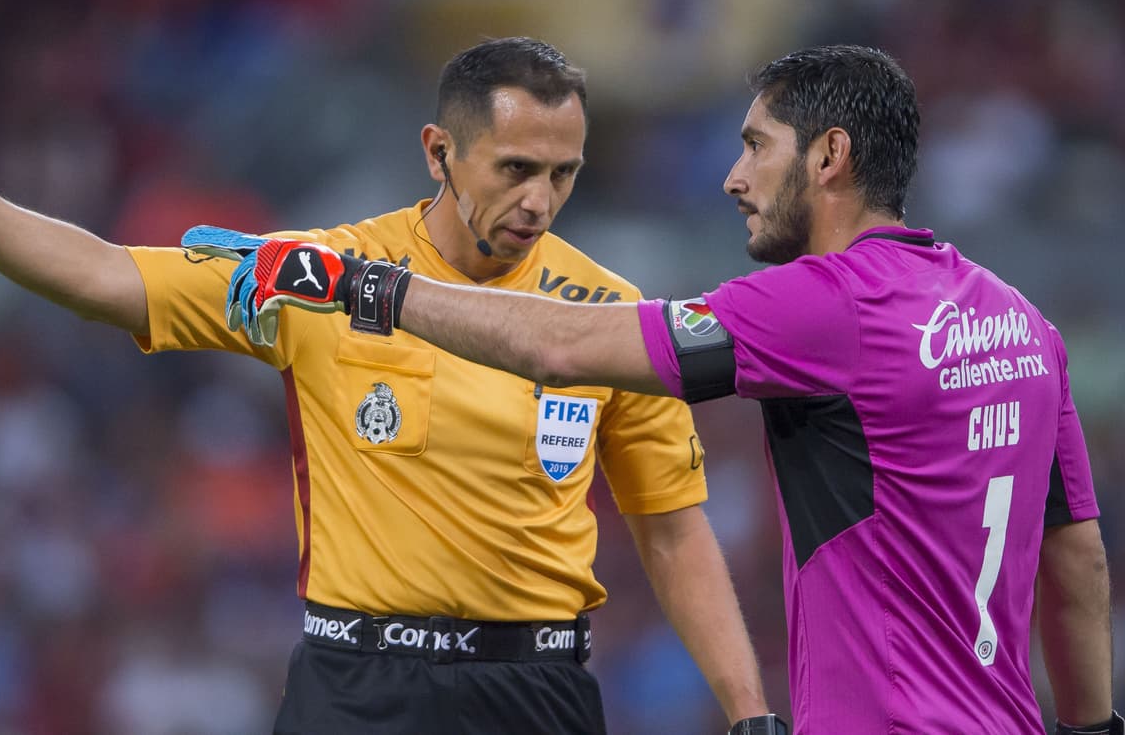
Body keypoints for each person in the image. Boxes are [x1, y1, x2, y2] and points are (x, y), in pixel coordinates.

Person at [0, 38, 784, 735]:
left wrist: (748, 712)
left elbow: (669, 525)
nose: (538, 200)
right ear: (438, 153)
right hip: (357, 686)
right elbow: (100, 276)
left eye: (562, 174)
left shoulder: (606, 315)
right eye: (515, 169)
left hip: (537, 691)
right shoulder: (318, 277)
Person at [181, 44, 1118, 735]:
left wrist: (363, 285)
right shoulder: (1024, 326)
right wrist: (1091, 727)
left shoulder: (823, 306)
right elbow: (1076, 565)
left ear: (828, 158)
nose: (733, 176)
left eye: (757, 146)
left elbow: (561, 345)